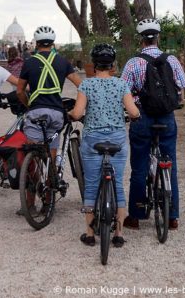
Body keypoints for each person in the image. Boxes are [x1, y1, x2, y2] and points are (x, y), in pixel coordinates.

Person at [69, 44, 140, 248]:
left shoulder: (86, 85)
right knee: (117, 184)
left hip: (93, 139)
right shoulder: (121, 85)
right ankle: (118, 233)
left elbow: (78, 113)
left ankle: (90, 233)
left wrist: (71, 115)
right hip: (117, 138)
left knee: (91, 183)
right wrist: (135, 115)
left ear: (93, 64)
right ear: (112, 65)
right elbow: (133, 112)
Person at [120, 19, 185, 231]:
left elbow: (124, 92)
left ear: (141, 39)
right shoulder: (172, 60)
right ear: (157, 37)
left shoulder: (133, 63)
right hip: (167, 118)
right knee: (171, 164)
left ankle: (136, 216)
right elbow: (182, 90)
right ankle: (172, 217)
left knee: (139, 168)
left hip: (142, 118)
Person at [16, 26, 81, 215]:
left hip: (36, 114)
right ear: (53, 43)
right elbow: (81, 85)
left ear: (36, 43)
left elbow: (20, 90)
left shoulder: (29, 63)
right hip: (56, 114)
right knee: (50, 160)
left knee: (33, 159)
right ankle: (48, 199)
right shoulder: (63, 62)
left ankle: (28, 205)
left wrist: (29, 106)